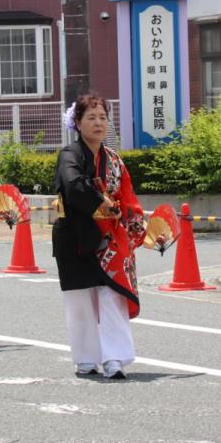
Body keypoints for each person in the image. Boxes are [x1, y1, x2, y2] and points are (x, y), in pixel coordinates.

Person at [52, 93, 146, 379]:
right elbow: (73, 184)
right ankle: (86, 357)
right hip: (76, 236)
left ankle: (115, 358)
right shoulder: (70, 155)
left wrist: (137, 225)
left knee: (112, 296)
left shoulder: (114, 160)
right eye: (91, 117)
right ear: (77, 123)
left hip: (111, 239)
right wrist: (102, 202)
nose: (98, 123)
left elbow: (127, 198)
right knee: (80, 300)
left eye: (103, 117)